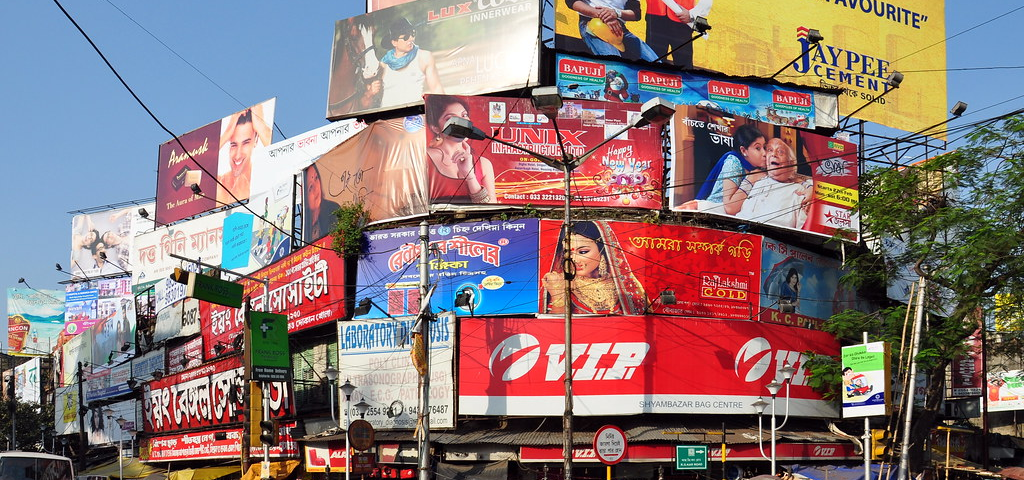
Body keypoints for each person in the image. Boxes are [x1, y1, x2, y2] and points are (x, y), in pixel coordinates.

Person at [542, 221, 646, 314]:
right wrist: (558, 295)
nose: (574, 260)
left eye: (583, 252)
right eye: (568, 252)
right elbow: (555, 324)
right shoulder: (559, 282)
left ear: (602, 250)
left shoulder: (622, 283)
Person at [425, 95, 497, 204]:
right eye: (450, 118)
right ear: (435, 128)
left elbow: (491, 208)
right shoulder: (422, 158)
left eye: (464, 115)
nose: (462, 122)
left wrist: (470, 176)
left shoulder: (484, 164)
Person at [685, 123, 768, 215]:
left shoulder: (760, 168)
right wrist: (751, 179)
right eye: (758, 148)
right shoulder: (734, 162)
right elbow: (729, 208)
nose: (764, 153)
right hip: (714, 211)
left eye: (764, 147)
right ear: (744, 151)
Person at [736, 138, 813, 228]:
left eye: (780, 152)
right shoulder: (755, 179)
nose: (773, 154)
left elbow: (803, 230)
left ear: (791, 163)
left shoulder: (800, 191)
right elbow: (730, 209)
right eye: (770, 150)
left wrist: (811, 187)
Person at [378, 18, 444, 107]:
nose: (411, 39)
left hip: (416, 113)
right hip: (389, 114)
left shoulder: (424, 57)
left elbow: (436, 88)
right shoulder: (383, 65)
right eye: (405, 37)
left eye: (412, 34)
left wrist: (444, 109)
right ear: (394, 42)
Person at [567, 0, 659, 62]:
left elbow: (636, 14)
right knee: (615, 65)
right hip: (593, 23)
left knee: (656, 62)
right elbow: (571, 2)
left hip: (620, 28)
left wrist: (616, 13)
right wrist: (601, 15)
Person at [217, 105, 272, 205]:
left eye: (245, 143)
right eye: (233, 145)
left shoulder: (262, 180)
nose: (238, 155)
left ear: (256, 140)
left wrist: (261, 127)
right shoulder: (219, 184)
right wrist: (227, 132)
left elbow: (280, 159)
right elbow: (194, 169)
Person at [645, 0, 713, 67]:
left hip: (683, 19)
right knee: (653, 63)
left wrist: (692, 14)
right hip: (654, 17)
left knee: (683, 64)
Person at [303, 163, 341, 242]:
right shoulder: (304, 223)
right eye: (310, 187)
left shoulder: (333, 209)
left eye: (316, 178)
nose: (316, 189)